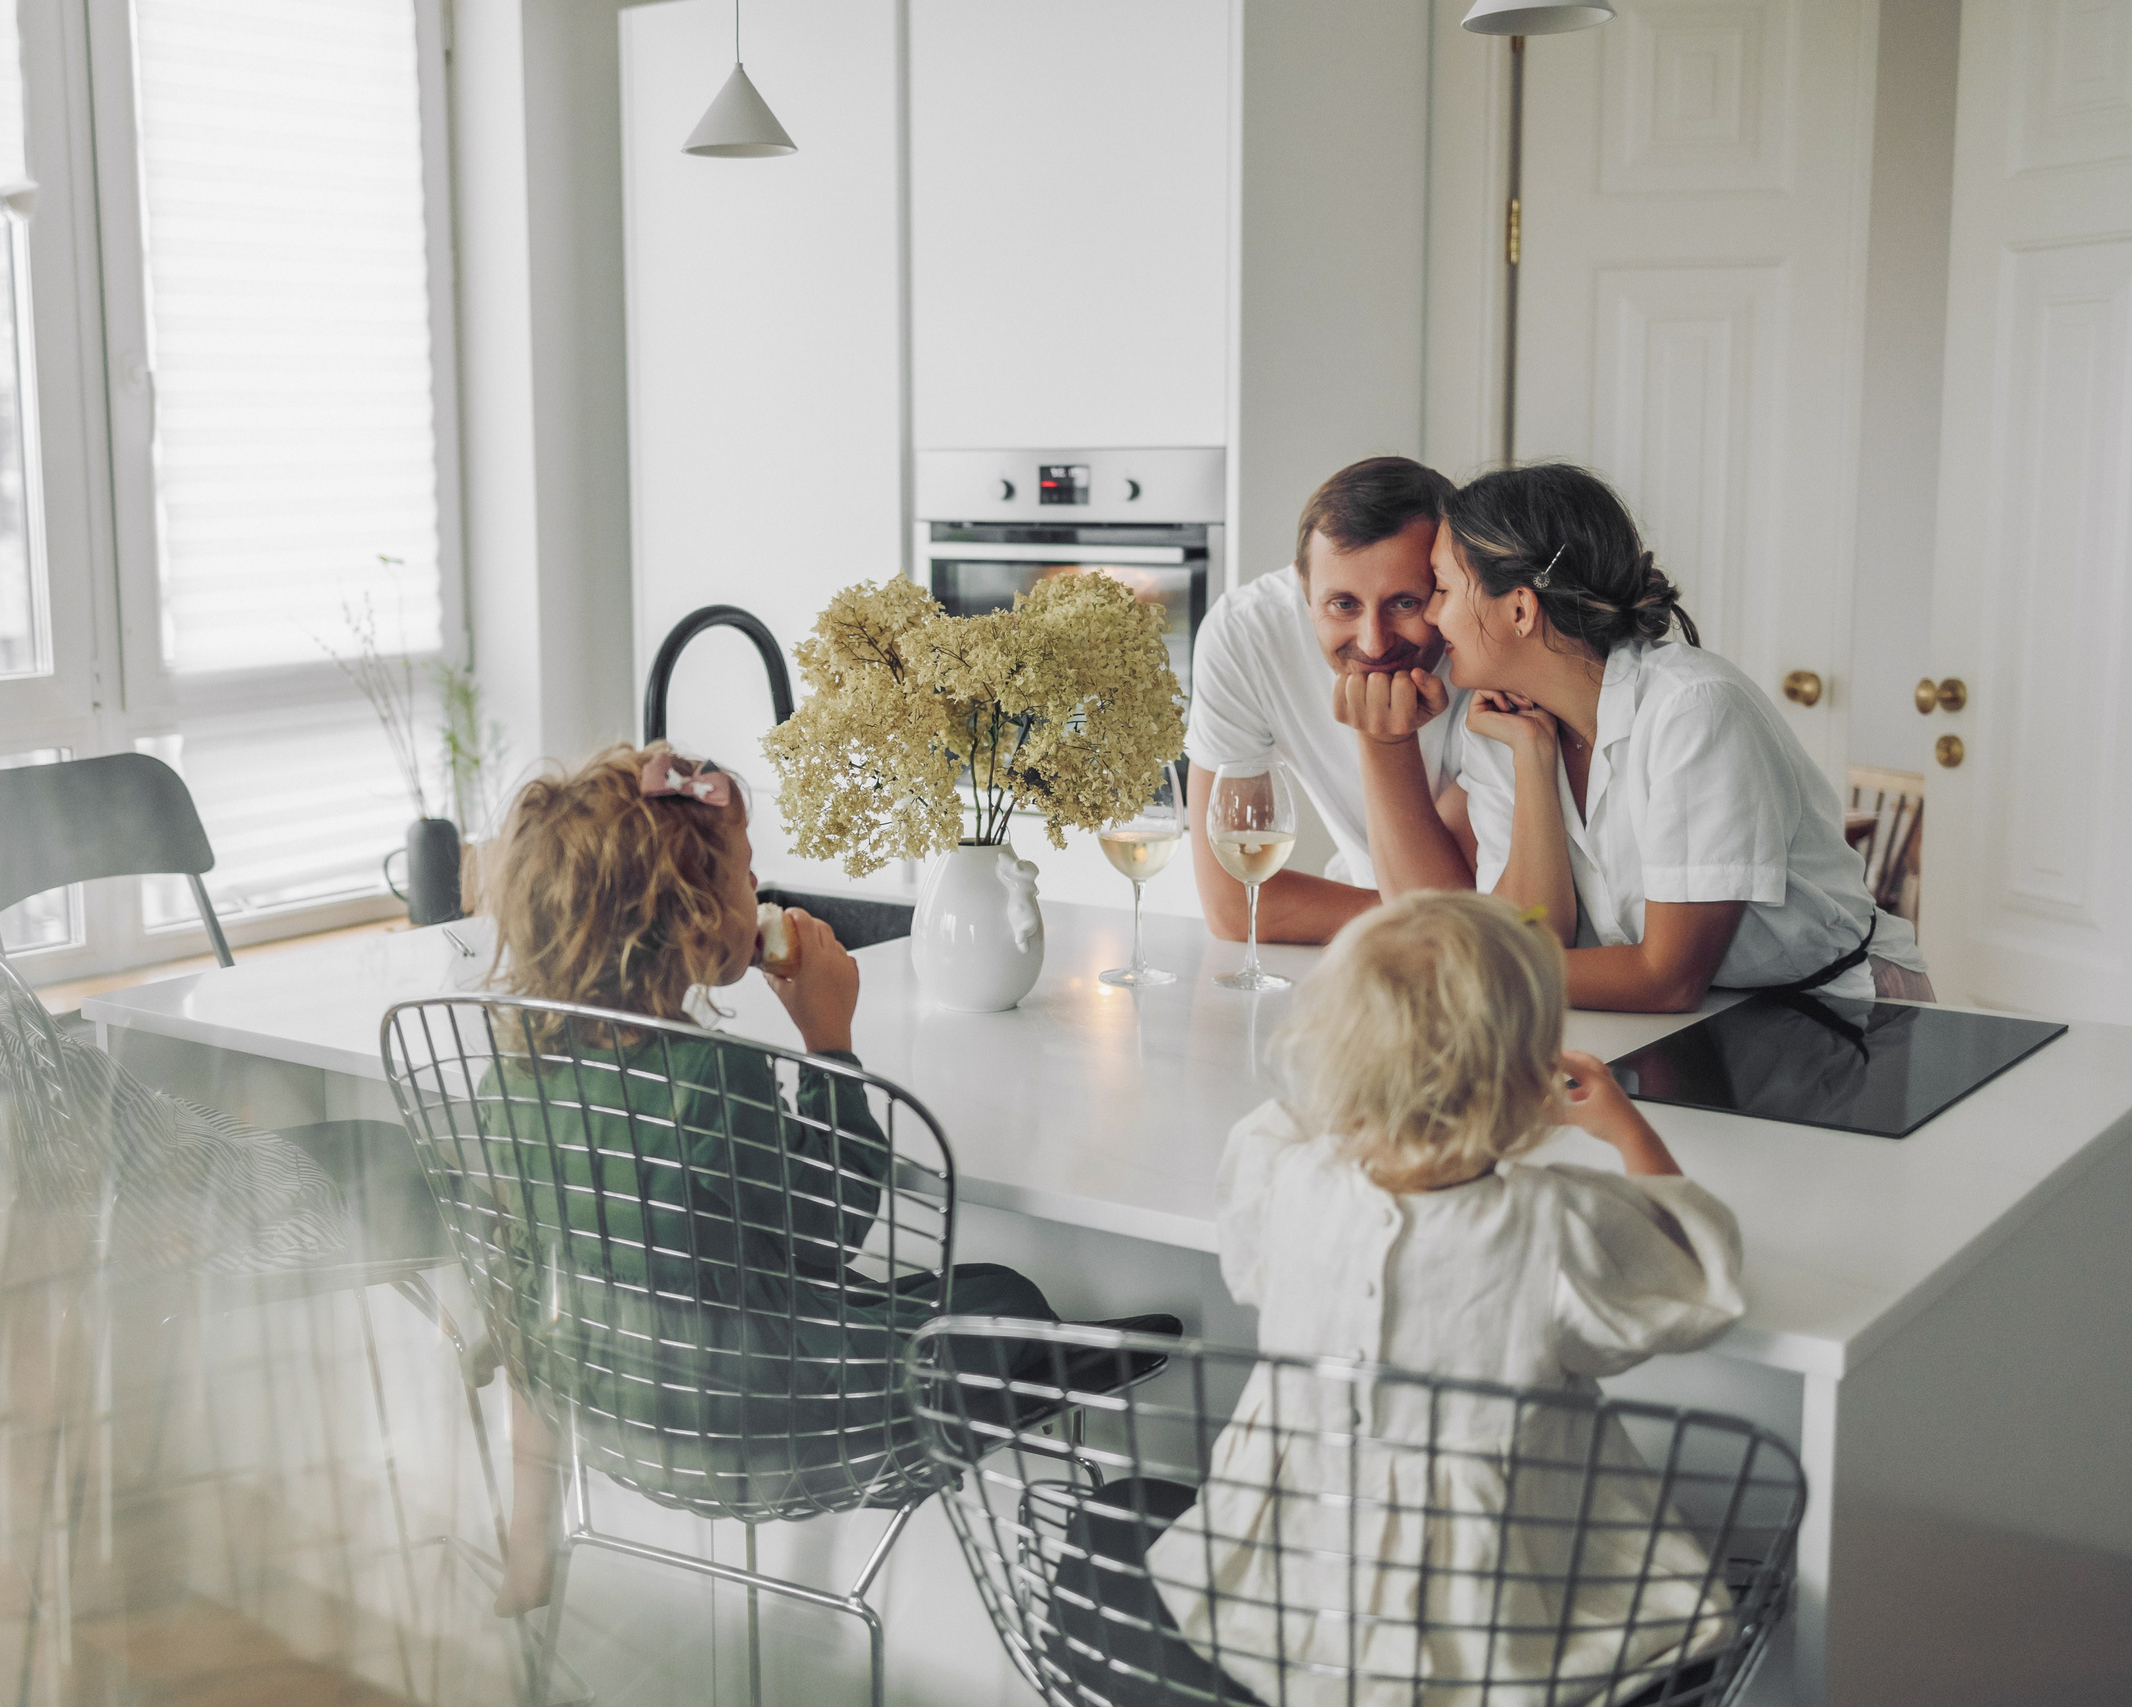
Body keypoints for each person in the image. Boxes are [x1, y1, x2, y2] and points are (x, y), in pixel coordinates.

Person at [475, 743, 1176, 1616]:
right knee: (1005, 1294)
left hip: (620, 1417)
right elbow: (826, 1239)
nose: (761, 894)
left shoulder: (507, 1081)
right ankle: (1049, 1363)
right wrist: (828, 1039)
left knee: (938, 1298)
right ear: (697, 923)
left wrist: (523, 1530)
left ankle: (530, 1555)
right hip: (777, 1432)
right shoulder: (704, 1076)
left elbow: (515, 1292)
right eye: (745, 875)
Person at [1068, 892, 1746, 1704]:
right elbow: (1697, 1274)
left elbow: (1266, 1166)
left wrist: (1372, 1081)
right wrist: (1626, 1130)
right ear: (1531, 1078)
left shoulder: (1286, 1179)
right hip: (1495, 1635)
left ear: (1334, 1057)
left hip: (1283, 1608)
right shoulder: (1553, 1223)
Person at [1338, 462, 1932, 1011]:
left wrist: (1468, 977)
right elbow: (1534, 933)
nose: (1432, 618)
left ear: (1520, 609)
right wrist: (1533, 761)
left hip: (1843, 1014)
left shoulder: (1694, 711)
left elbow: (1667, 978)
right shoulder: (1503, 728)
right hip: (1695, 1023)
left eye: (1441, 588)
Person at [1185, 456, 1476, 942]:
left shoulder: (1492, 649)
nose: (1374, 643)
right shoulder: (1247, 632)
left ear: (1449, 582)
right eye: (1343, 604)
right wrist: (1411, 907)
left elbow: (1458, 923)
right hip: (1395, 946)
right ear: (1304, 587)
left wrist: (1433, 909)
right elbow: (1235, 904)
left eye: (1406, 602)